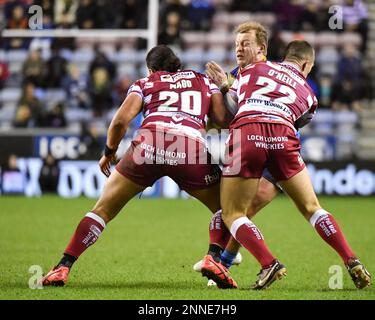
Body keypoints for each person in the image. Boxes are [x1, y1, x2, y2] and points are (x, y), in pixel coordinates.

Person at [41, 45, 232, 286]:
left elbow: (120, 120)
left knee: (102, 210)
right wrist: (226, 87)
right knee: (227, 208)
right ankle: (213, 257)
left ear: (151, 69)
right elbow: (224, 120)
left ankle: (63, 267)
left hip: (148, 146)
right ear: (177, 64)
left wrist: (109, 151)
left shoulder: (145, 83)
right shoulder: (203, 80)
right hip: (188, 148)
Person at [210, 40, 371, 290]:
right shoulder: (310, 95)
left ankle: (267, 263)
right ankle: (351, 259)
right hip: (283, 136)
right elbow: (298, 121)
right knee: (312, 207)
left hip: (248, 130)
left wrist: (224, 86)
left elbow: (233, 104)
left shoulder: (252, 69)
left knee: (233, 212)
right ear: (306, 64)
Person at [195, 22, 286, 287]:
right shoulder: (236, 73)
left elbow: (251, 108)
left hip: (277, 149)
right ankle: (223, 261)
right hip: (249, 144)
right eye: (236, 44)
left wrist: (225, 86)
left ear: (262, 48)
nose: (239, 49)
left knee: (244, 209)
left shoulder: (273, 73)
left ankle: (226, 261)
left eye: (245, 44)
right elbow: (230, 116)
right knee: (235, 212)